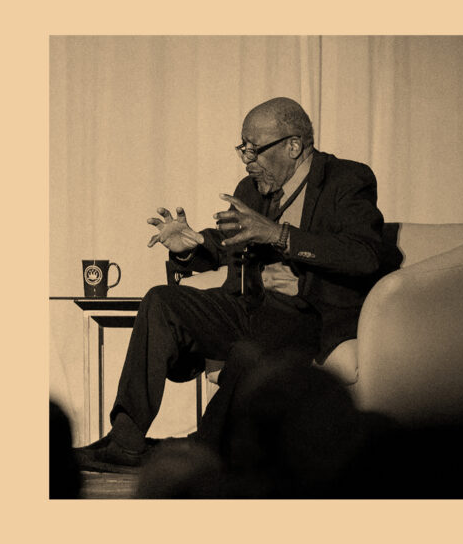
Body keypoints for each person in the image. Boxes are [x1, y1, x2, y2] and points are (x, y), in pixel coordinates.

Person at [77, 97, 386, 472]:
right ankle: (126, 441)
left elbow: (364, 254)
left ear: (293, 145)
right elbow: (230, 245)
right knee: (161, 301)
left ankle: (203, 452)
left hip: (311, 312)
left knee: (249, 349)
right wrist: (192, 246)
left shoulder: (346, 180)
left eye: (255, 149)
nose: (247, 160)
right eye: (243, 148)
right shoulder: (251, 188)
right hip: (251, 306)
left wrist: (280, 236)